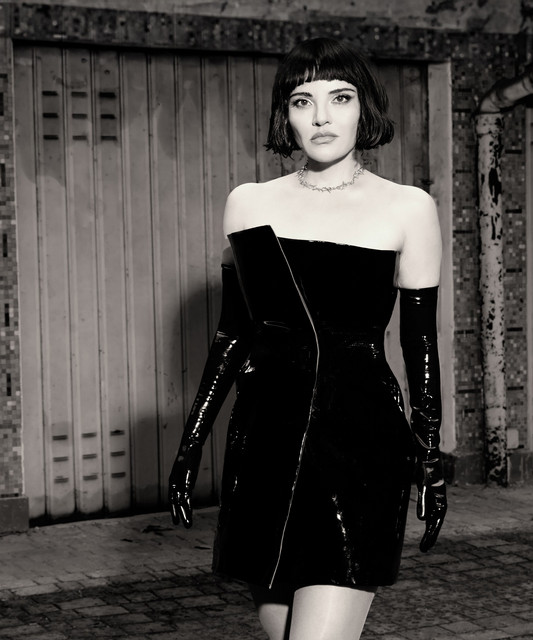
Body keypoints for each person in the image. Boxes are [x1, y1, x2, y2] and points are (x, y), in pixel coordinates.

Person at [168, 37, 447, 640]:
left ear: (364, 107)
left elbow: (421, 348)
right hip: (264, 448)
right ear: (285, 114)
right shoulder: (249, 204)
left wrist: (429, 458)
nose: (321, 116)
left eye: (339, 98)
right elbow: (233, 337)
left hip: (360, 448)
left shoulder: (408, 208)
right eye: (303, 100)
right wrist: (190, 446)